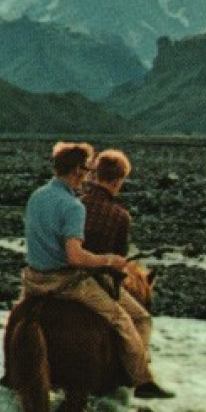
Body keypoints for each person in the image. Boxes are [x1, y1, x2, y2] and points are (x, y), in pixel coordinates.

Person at [20, 141, 171, 399]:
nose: (89, 175)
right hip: (64, 282)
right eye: (87, 169)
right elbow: (75, 257)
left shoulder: (37, 196)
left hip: (32, 280)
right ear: (78, 170)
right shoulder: (73, 207)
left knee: (19, 318)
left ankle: (11, 373)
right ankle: (142, 380)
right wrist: (108, 261)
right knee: (124, 319)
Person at [81, 148, 154, 355]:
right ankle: (140, 377)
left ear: (96, 174)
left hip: (63, 274)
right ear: (118, 181)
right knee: (142, 319)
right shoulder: (119, 215)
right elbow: (118, 261)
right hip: (97, 281)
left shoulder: (75, 205)